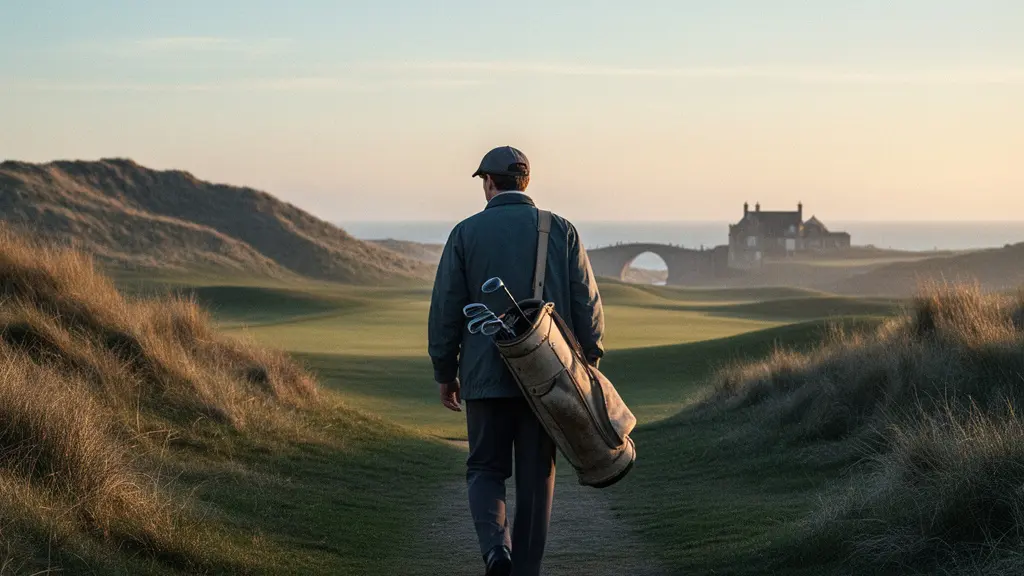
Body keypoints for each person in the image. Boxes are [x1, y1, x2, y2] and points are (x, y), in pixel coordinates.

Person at [427, 146, 605, 576]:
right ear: (526, 181)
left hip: (485, 377)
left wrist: (445, 372)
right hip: (549, 379)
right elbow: (588, 308)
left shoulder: (465, 233)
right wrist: (590, 364)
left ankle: (495, 551)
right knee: (536, 476)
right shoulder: (561, 231)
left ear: (488, 183)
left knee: (485, 467)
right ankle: (525, 569)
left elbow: (447, 308)